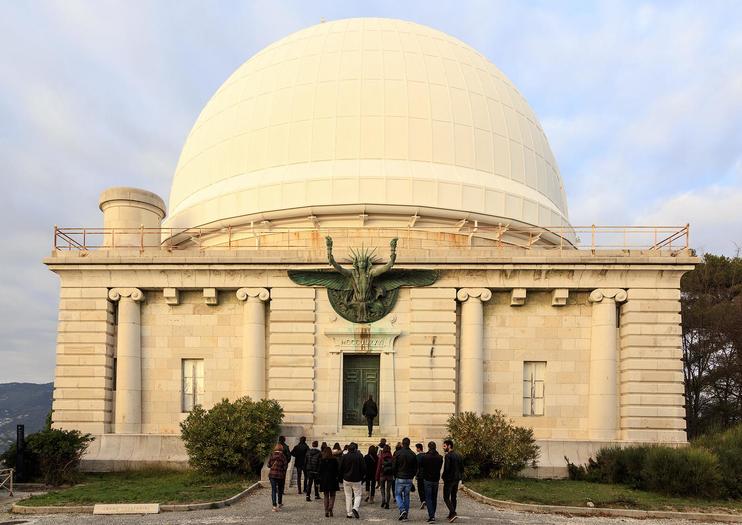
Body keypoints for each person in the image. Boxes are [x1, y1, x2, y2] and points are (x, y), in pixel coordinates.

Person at [393, 437, 417, 521]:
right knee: (406, 496)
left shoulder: (398, 453)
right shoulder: (413, 454)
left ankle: (402, 510)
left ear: (403, 444)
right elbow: (415, 468)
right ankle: (405, 515)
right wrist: (412, 476)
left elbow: (394, 466)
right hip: (409, 478)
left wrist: (395, 475)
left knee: (398, 495)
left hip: (400, 477)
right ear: (409, 443)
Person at [339, 442, 365, 519]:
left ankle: (349, 513)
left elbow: (340, 468)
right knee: (358, 495)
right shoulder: (359, 456)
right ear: (355, 449)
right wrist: (362, 476)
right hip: (357, 479)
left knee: (348, 496)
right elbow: (363, 468)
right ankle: (355, 508)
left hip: (346, 478)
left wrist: (341, 476)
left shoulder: (345, 456)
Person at [421, 441, 444, 523]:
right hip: (436, 479)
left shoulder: (425, 457)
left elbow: (422, 467)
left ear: (428, 447)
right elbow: (439, 467)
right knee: (434, 498)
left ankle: (432, 516)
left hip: (427, 479)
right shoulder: (440, 457)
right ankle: (432, 514)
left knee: (428, 498)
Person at [442, 439, 463, 523]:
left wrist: (443, 476)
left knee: (446, 497)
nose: (443, 448)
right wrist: (461, 477)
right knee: (453, 496)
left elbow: (447, 468)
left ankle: (453, 513)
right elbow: (462, 468)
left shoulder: (448, 456)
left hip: (449, 480)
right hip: (456, 479)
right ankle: (451, 513)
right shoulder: (459, 454)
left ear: (449, 446)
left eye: (444, 446)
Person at [319, 445, 340, 518]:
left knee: (325, 495)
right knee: (333, 495)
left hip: (324, 480)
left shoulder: (322, 461)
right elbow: (337, 471)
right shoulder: (334, 460)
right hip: (333, 479)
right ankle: (330, 508)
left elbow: (320, 471)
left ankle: (326, 510)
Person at [268, 443, 288, 512]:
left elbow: (268, 465)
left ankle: (274, 506)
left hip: (272, 475)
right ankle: (279, 503)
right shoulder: (283, 456)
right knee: (280, 490)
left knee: (273, 490)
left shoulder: (272, 455)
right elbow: (285, 467)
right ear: (281, 449)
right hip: (280, 475)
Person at [375, 444, 394, 509]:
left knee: (382, 488)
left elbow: (378, 467)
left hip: (382, 474)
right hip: (390, 475)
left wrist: (377, 478)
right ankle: (387, 503)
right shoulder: (392, 457)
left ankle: (383, 499)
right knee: (388, 490)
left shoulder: (381, 457)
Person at [415, 443, 426, 509]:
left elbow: (417, 467)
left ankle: (423, 500)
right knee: (425, 488)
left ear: (419, 448)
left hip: (420, 474)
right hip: (426, 474)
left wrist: (416, 475)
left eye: (416, 448)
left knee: (420, 488)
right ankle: (425, 500)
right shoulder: (426, 455)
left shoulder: (418, 456)